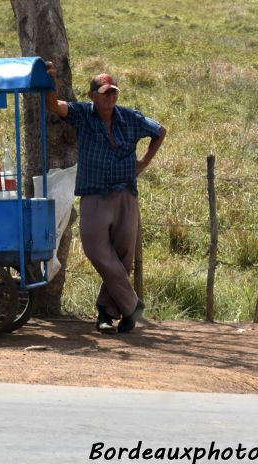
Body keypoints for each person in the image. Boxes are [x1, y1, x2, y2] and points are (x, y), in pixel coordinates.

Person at [45, 64, 166, 335]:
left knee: (123, 257)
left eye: (113, 92)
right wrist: (50, 80)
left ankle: (107, 314)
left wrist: (144, 161)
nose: (110, 97)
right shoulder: (82, 115)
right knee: (96, 250)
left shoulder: (130, 118)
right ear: (92, 95)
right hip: (94, 195)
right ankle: (132, 304)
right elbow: (54, 106)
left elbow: (160, 131)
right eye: (104, 93)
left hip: (125, 194)